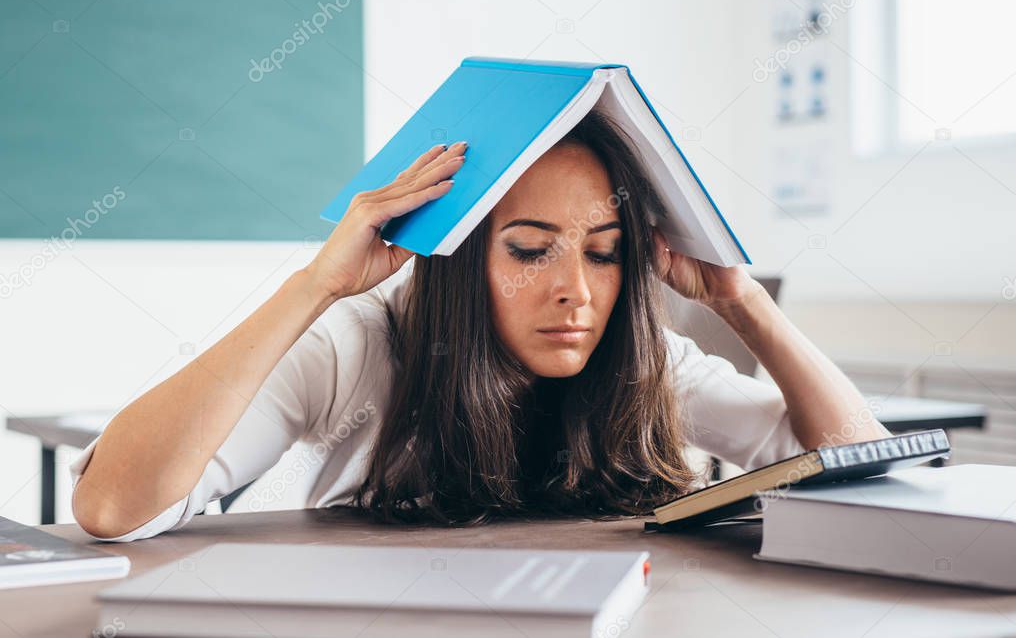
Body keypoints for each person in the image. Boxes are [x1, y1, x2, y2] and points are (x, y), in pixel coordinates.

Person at [70, 111, 890, 541]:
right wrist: (313, 286)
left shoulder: (642, 361)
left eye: (603, 254)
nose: (576, 291)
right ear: (461, 256)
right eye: (531, 250)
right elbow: (114, 506)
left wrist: (741, 301)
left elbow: (848, 461)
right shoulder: (360, 344)